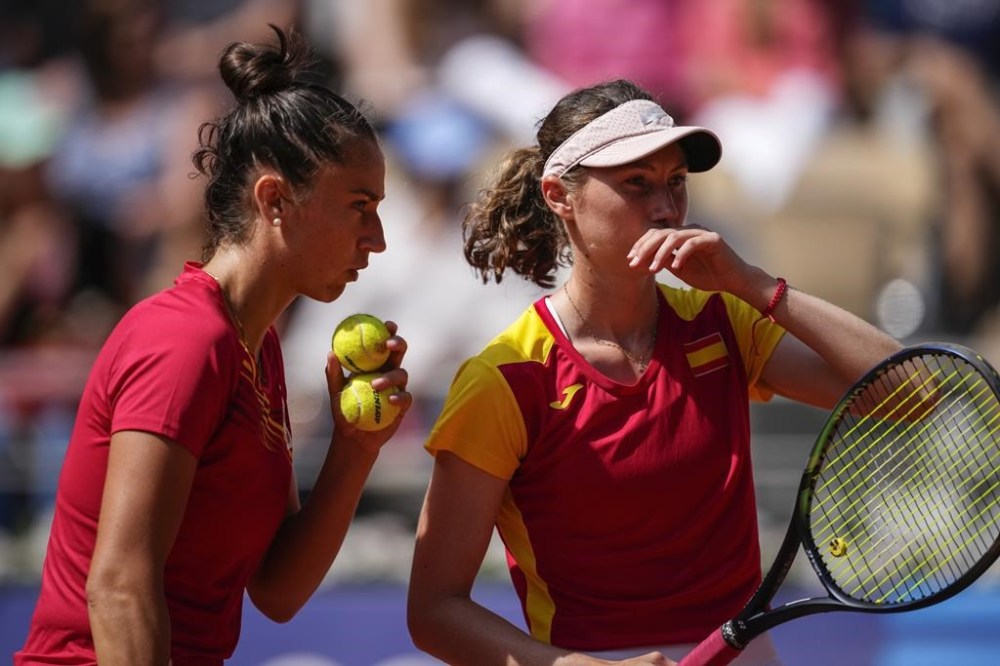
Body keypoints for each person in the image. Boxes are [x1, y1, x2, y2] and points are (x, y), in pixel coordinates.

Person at [406, 78, 901, 665]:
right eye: (636, 184)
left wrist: (756, 284)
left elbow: (913, 393)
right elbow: (434, 611)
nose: (665, 208)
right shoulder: (504, 381)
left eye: (674, 183)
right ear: (560, 196)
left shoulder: (726, 320)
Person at [15, 24, 411, 665]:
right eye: (360, 205)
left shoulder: (257, 348)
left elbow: (277, 591)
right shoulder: (185, 341)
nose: (378, 237)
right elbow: (118, 588)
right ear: (275, 199)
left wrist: (354, 450)